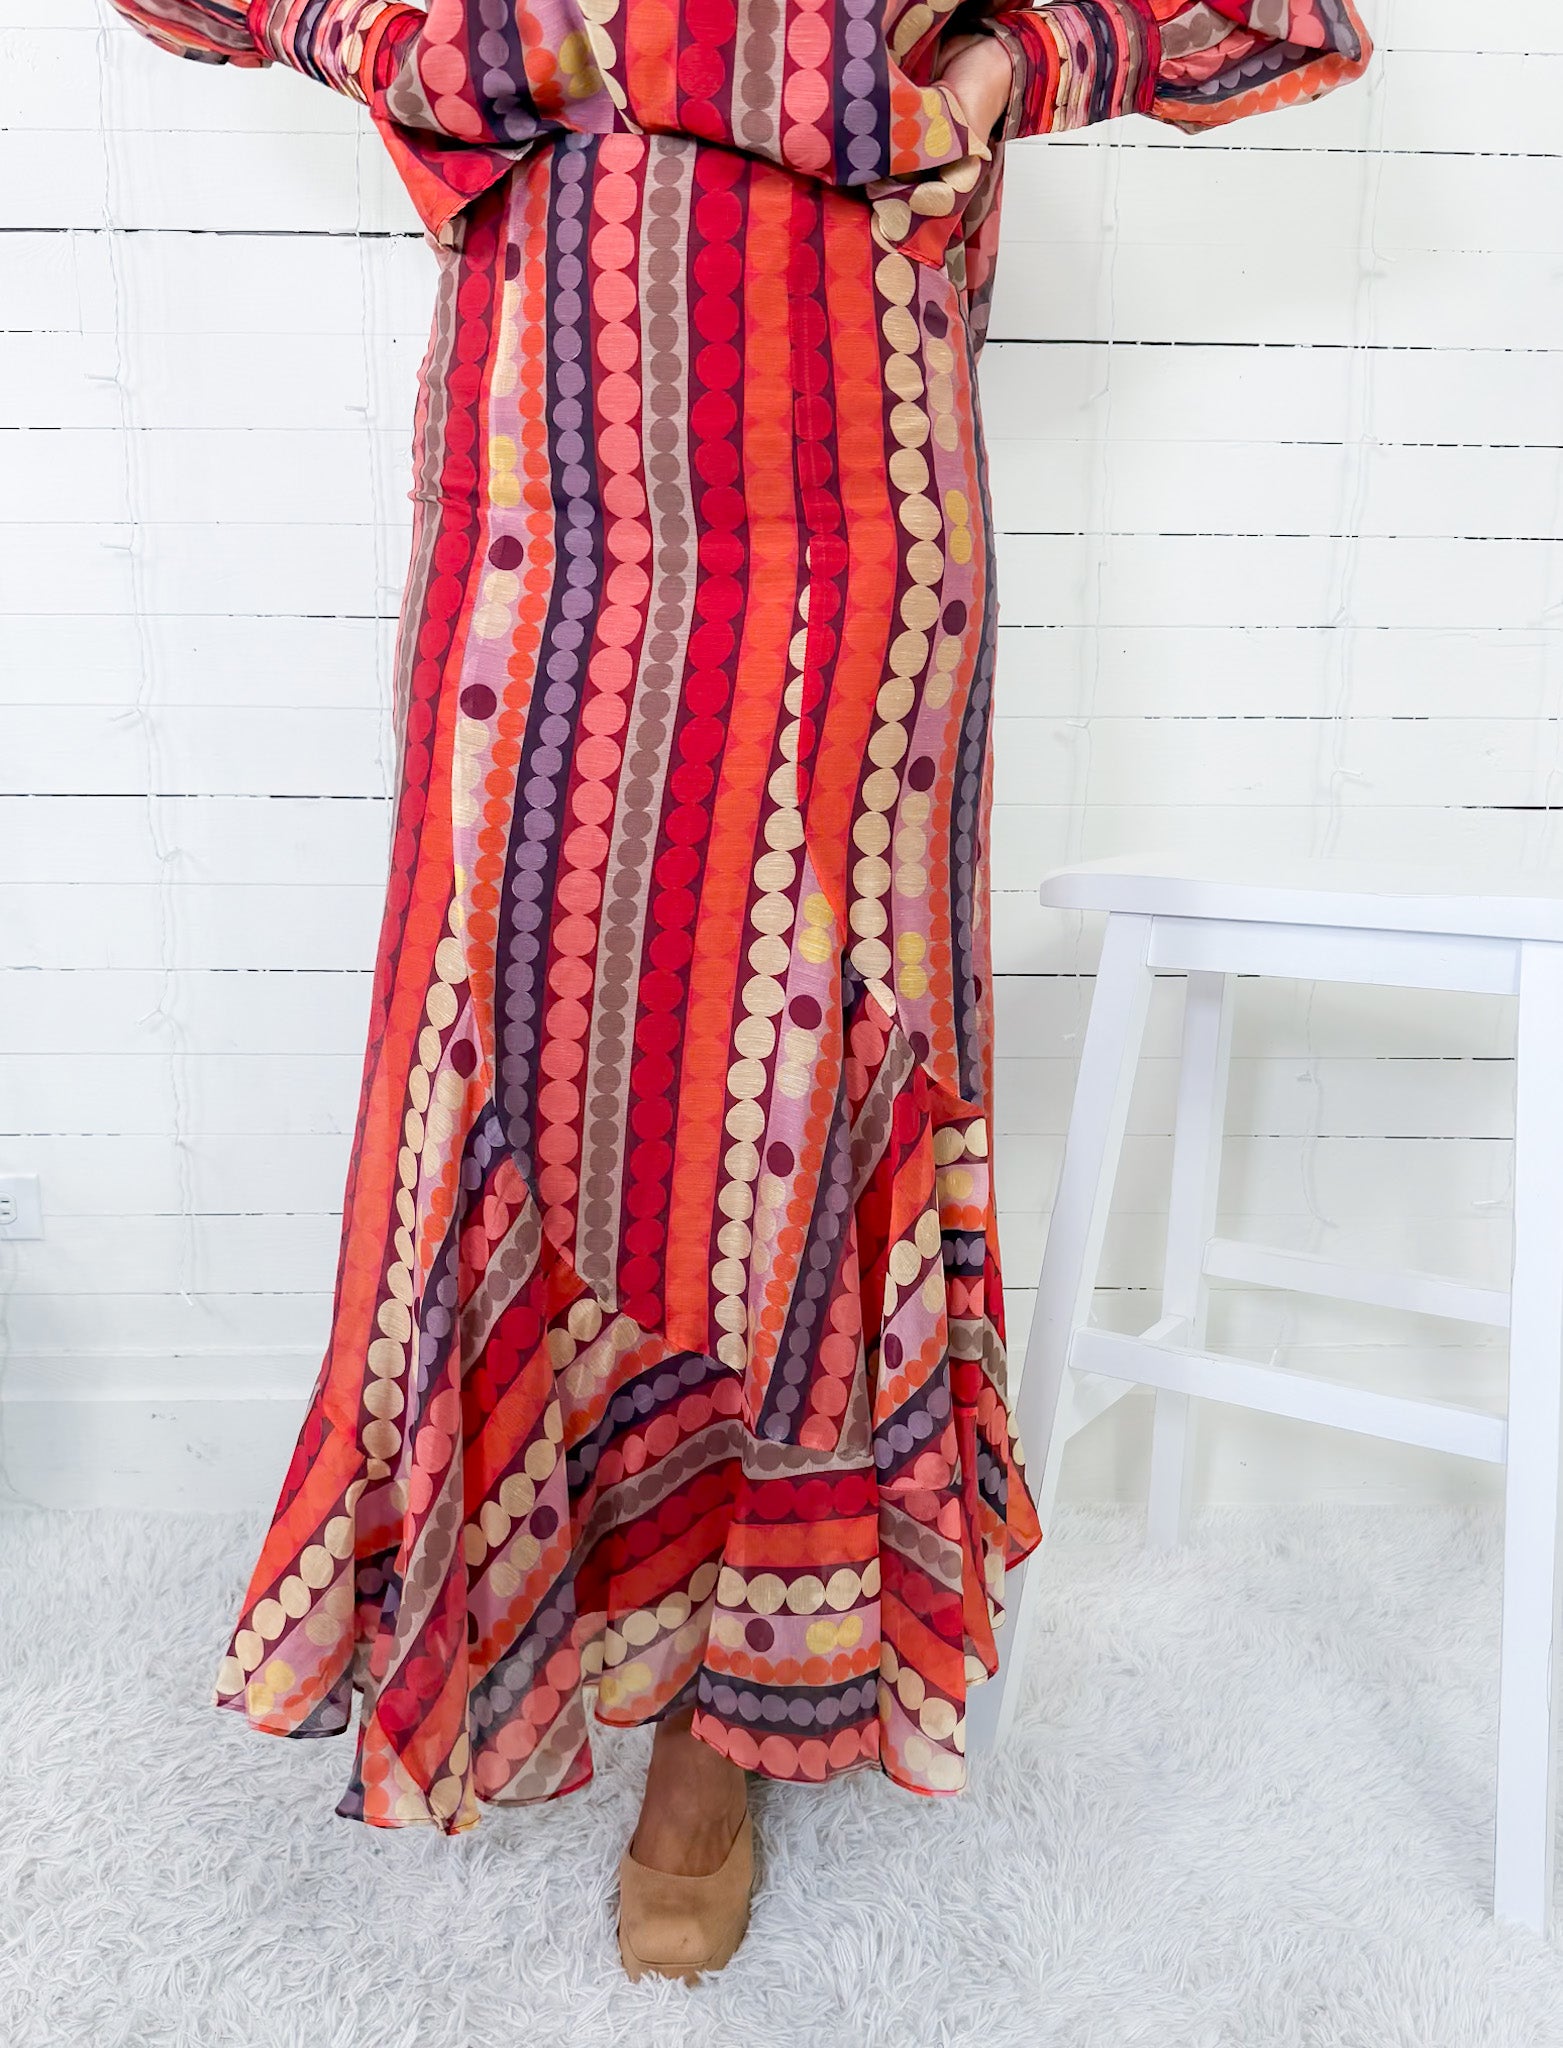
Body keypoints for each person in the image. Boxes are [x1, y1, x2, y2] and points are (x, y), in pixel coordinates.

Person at [109, 0, 1372, 1984]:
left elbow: (1273, 20)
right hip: (546, 477)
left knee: (793, 1068)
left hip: (847, 496)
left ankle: (722, 1717)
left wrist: (985, 76)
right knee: (515, 1037)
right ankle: (518, 1607)